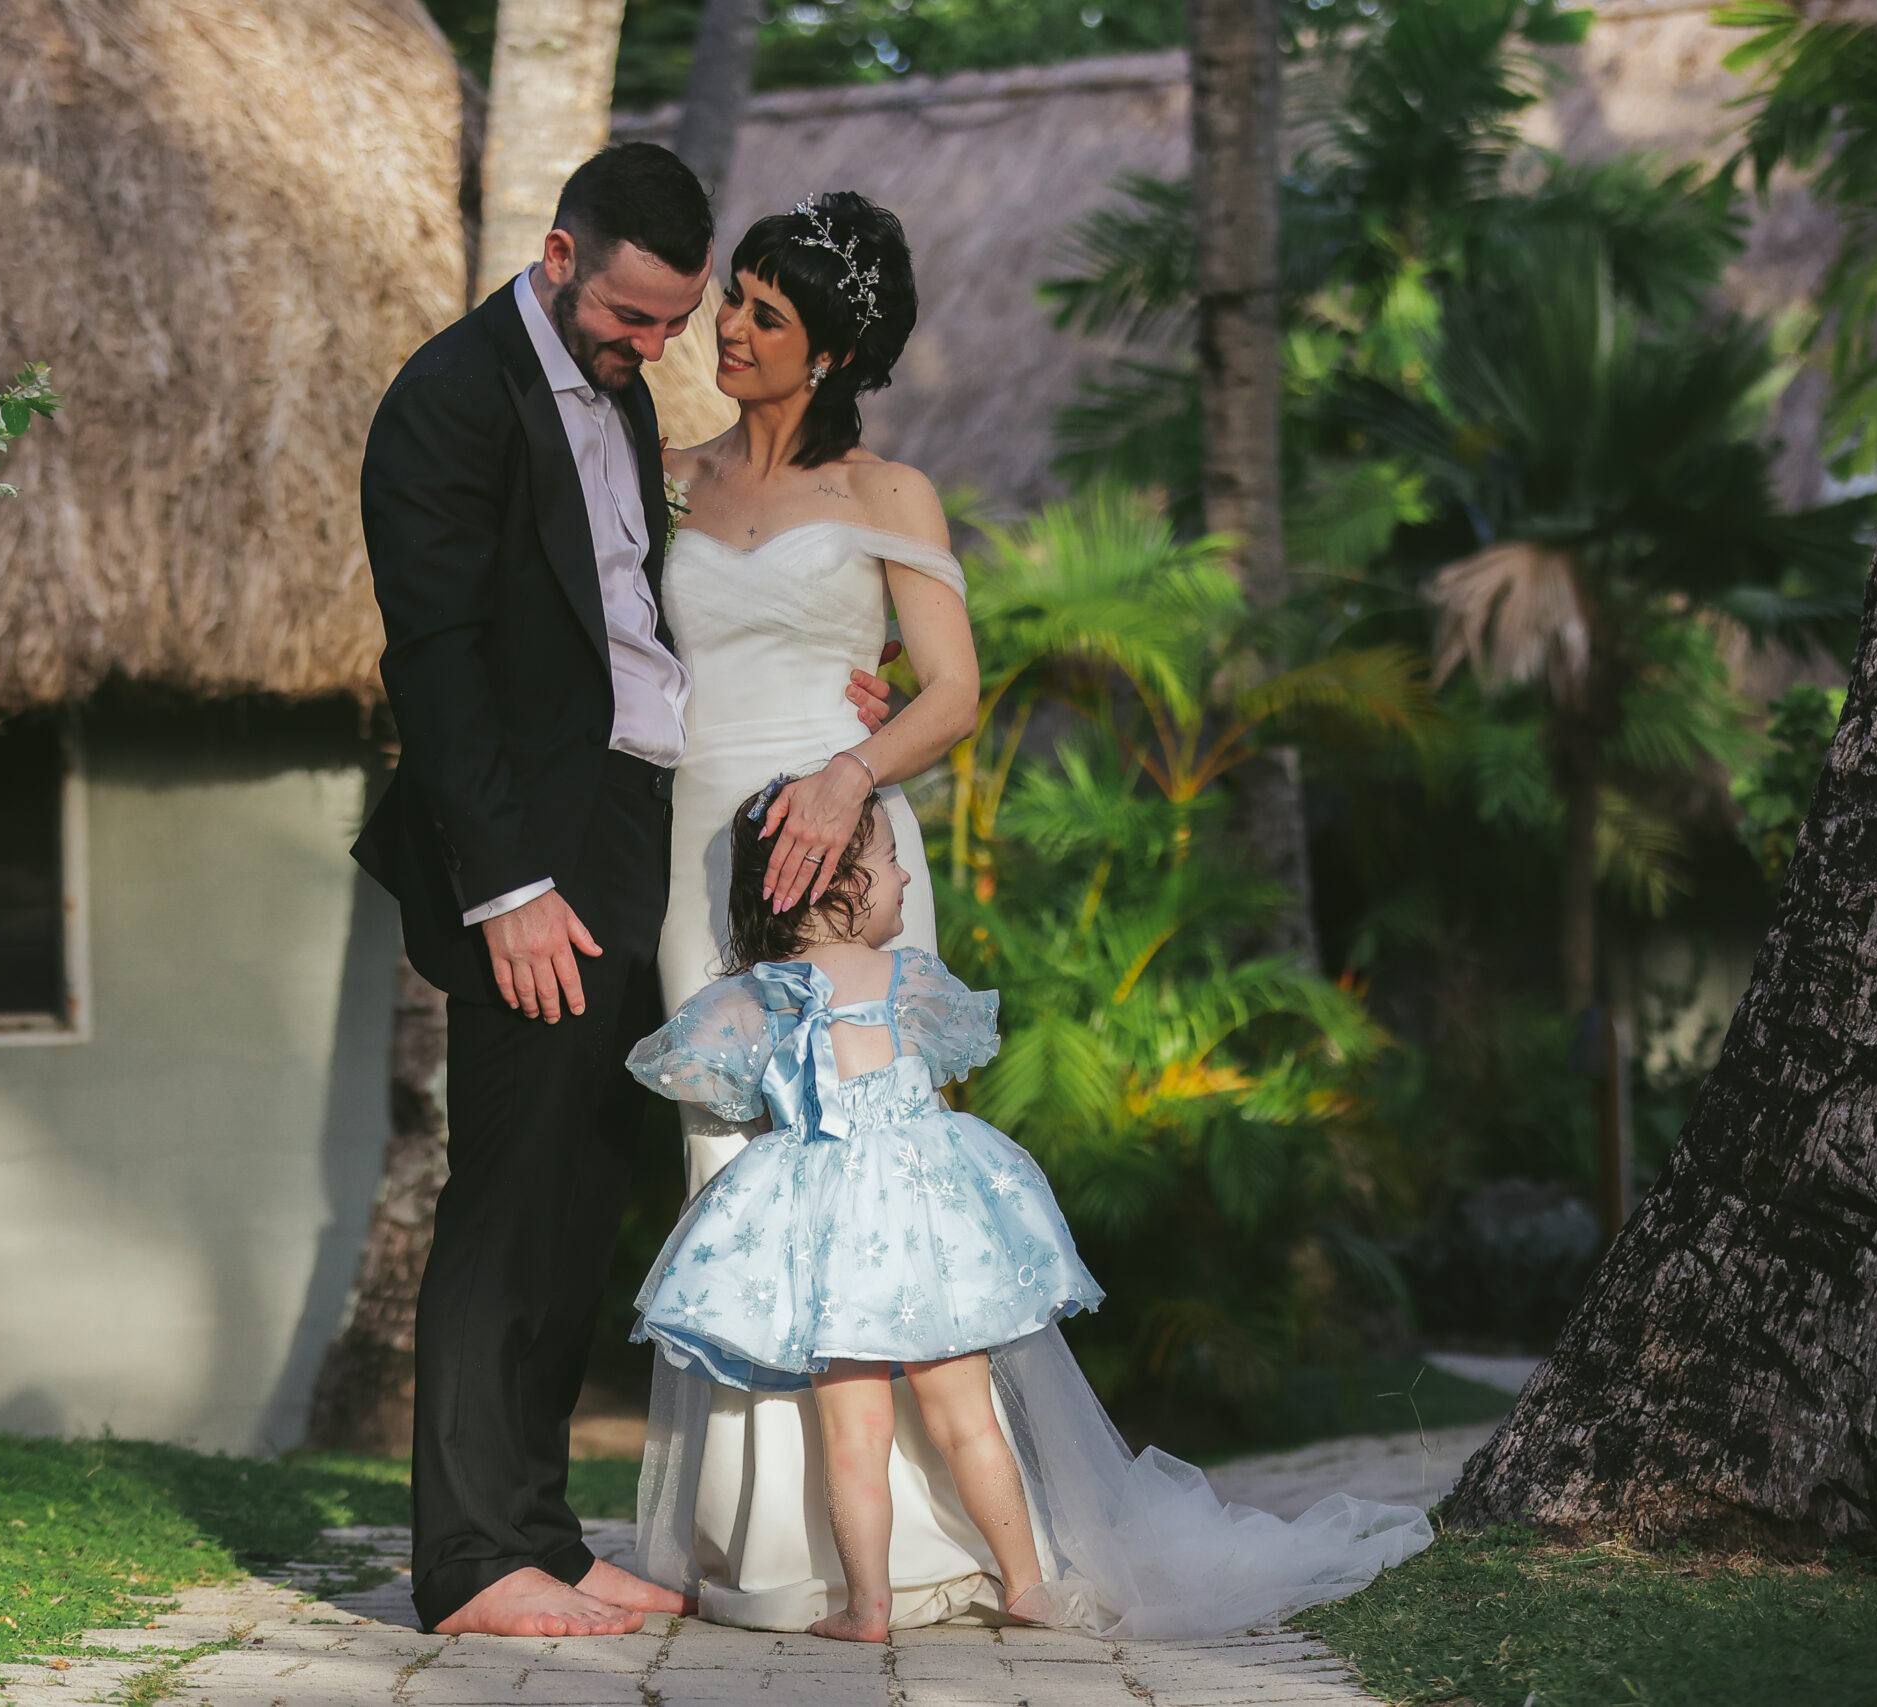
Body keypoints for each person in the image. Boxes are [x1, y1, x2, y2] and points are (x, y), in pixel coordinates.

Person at [351, 143, 901, 1640]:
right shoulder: (451, 398)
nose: (659, 347)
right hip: (525, 844)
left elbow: (648, 608)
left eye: (672, 322)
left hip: (629, 819)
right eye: (634, 317)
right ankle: (469, 1562)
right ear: (557, 254)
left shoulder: (619, 388)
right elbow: (438, 663)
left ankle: (537, 1524)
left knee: (587, 1174)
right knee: (509, 1178)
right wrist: (507, 885)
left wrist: (843, 669)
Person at [626, 783, 1439, 1640]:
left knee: (853, 1435)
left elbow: (695, 1066)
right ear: (840, 882)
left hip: (827, 1247)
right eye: (892, 860)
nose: (905, 878)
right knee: (969, 1422)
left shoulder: (758, 997)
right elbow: (946, 1053)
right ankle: (1026, 1582)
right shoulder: (910, 978)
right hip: (927, 1226)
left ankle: (866, 1607)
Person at [642, 191, 1003, 1628]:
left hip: (843, 852)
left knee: (872, 1173)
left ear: (833, 351)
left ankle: (917, 1535)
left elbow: (956, 693)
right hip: (695, 850)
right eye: (730, 297)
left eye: (763, 313)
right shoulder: (659, 476)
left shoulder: (889, 498)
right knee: (728, 1163)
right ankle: (766, 1540)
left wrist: (854, 767)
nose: (727, 325)